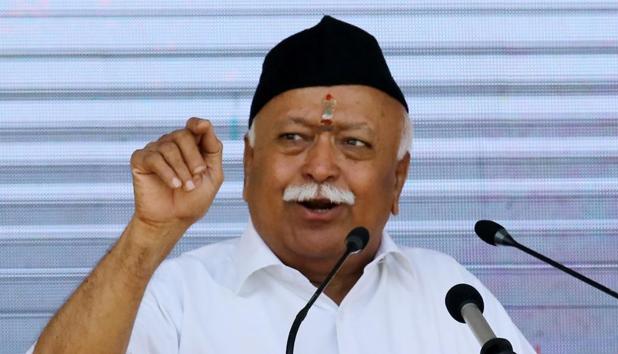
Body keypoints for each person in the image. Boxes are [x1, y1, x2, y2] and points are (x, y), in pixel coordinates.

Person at [29, 16, 535, 354]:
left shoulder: (451, 295)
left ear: (398, 179)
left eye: (354, 144)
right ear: (249, 165)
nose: (319, 168)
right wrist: (147, 235)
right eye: (292, 138)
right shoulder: (175, 297)